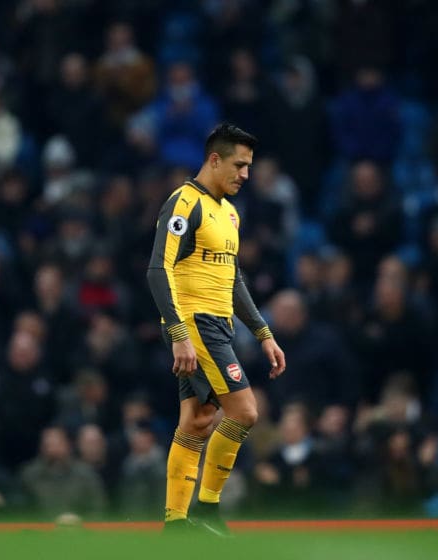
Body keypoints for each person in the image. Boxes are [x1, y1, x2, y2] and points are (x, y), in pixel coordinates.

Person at [147, 123, 286, 535]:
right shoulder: (183, 204)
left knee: (197, 422)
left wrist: (264, 333)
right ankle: (207, 510)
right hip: (196, 325)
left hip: (218, 326)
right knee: (244, 412)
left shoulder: (229, 212)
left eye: (249, 167)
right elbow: (158, 270)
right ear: (214, 159)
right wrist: (178, 335)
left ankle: (175, 524)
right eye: (239, 165)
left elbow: (234, 278)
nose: (246, 174)